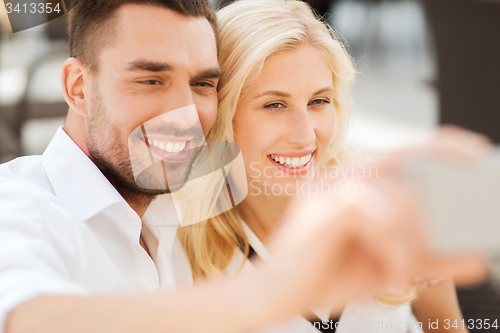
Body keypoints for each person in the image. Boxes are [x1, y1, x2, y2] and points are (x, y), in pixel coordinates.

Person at [0, 0, 488, 332]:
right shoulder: (20, 205)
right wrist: (273, 290)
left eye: (201, 84)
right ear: (78, 87)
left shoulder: (166, 216)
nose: (184, 114)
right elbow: (31, 318)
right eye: (150, 80)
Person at [178, 1, 473, 332]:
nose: (305, 136)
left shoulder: (392, 208)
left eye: (318, 101)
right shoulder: (177, 250)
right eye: (274, 105)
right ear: (221, 115)